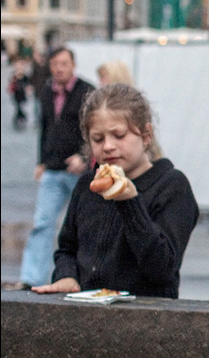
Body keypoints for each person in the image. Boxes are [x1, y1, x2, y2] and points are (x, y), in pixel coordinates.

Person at [31, 84, 199, 298]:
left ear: (146, 135)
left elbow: (162, 268)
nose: (108, 146)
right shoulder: (87, 185)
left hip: (148, 318)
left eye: (119, 135)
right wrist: (67, 276)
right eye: (98, 139)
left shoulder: (172, 186)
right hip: (88, 314)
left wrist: (130, 202)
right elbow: (67, 248)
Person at [12, 47, 94, 288]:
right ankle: (31, 277)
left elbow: (94, 131)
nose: (59, 68)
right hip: (53, 170)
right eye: (55, 64)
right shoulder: (46, 91)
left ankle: (85, 277)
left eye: (64, 63)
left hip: (80, 172)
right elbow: (45, 129)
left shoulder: (86, 92)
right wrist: (41, 161)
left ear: (73, 65)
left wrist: (83, 156)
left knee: (85, 226)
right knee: (42, 223)